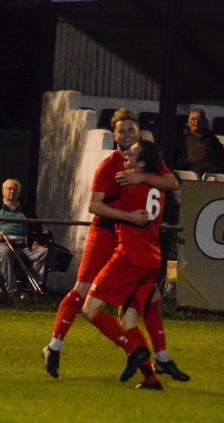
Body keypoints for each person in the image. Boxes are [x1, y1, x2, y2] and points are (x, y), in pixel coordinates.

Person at [43, 108, 189, 383]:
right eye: (122, 130)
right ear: (114, 135)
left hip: (133, 239)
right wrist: (129, 214)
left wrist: (142, 177)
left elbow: (171, 181)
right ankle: (55, 346)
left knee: (146, 301)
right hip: (107, 233)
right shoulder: (110, 165)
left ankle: (155, 367)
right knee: (84, 292)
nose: (127, 134)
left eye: (131, 129)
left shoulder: (144, 162)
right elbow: (94, 206)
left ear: (138, 132)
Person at [82, 140, 167, 389]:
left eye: (133, 153)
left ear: (141, 164)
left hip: (129, 258)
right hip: (150, 260)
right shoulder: (156, 186)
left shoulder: (129, 184)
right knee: (128, 319)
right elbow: (171, 182)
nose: (127, 154)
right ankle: (150, 378)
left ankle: (133, 350)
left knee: (90, 308)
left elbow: (96, 206)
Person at [0, 178, 47, 295]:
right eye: (9, 189)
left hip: (23, 245)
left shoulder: (26, 210)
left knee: (42, 251)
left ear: (19, 193)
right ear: (3, 191)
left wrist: (36, 241)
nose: (12, 192)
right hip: (1, 243)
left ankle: (34, 289)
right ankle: (11, 290)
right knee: (5, 251)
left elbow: (38, 228)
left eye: (15, 190)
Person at [176, 108, 224, 177]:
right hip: (193, 172)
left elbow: (221, 151)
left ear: (204, 122)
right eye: (194, 119)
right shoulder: (182, 138)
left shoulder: (211, 137)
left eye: (199, 119)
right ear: (189, 122)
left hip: (213, 172)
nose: (196, 122)